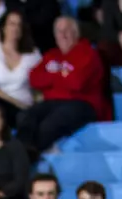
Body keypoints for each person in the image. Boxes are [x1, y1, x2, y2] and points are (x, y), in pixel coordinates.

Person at [18, 18, 110, 155]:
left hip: (82, 104)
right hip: (52, 102)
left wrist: (51, 77)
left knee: (50, 123)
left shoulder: (88, 53)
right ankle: (21, 155)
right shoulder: (51, 55)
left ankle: (26, 158)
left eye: (67, 30)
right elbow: (34, 79)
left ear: (76, 33)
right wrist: (62, 75)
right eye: (59, 31)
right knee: (25, 116)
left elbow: (76, 82)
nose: (63, 35)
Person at [0, 10, 41, 115]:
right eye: (12, 24)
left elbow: (39, 88)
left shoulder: (33, 54)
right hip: (2, 105)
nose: (15, 28)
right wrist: (17, 104)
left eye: (19, 25)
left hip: (26, 106)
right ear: (4, 27)